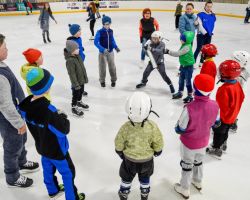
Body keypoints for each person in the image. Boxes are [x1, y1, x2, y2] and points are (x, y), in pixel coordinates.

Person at [18, 68, 85, 200]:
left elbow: (27, 116)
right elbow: (63, 130)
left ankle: (52, 190)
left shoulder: (24, 107)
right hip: (58, 151)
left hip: (42, 148)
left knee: (47, 169)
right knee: (68, 173)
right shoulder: (49, 111)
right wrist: (63, 117)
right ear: (46, 88)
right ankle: (72, 197)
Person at [0, 34, 39, 188]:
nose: (7, 50)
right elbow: (4, 104)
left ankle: (22, 162)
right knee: (12, 146)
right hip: (9, 119)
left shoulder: (1, 64)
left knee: (21, 141)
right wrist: (17, 123)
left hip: (16, 114)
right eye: (4, 48)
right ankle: (12, 175)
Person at [174, 74, 219, 199]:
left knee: (187, 165)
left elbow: (180, 128)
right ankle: (198, 181)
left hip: (189, 144)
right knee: (199, 162)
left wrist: (177, 128)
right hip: (204, 142)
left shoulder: (189, 108)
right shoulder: (215, 105)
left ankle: (184, 188)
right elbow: (216, 122)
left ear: (194, 88)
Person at [115, 91, 164, 200]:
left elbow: (118, 142)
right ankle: (145, 193)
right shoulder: (152, 126)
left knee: (126, 177)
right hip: (147, 161)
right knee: (145, 177)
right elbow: (158, 141)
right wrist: (158, 150)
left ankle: (124, 192)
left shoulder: (125, 127)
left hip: (129, 160)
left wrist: (119, 151)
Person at [206, 60, 245, 158]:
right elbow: (242, 97)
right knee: (226, 131)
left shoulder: (223, 89)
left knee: (218, 133)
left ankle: (216, 148)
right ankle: (223, 144)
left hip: (223, 118)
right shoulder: (238, 85)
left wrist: (217, 119)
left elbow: (220, 107)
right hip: (232, 116)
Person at [136, 31, 175, 96]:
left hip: (160, 63)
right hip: (152, 62)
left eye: (156, 38)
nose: (154, 40)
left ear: (160, 38)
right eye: (153, 38)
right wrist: (145, 50)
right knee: (145, 72)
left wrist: (151, 49)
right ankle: (143, 82)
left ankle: (170, 84)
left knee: (164, 75)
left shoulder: (162, 44)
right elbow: (148, 54)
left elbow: (159, 51)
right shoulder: (150, 44)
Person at [165, 31, 195, 103]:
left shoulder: (187, 47)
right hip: (183, 66)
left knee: (188, 82)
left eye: (182, 39)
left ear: (187, 40)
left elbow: (178, 54)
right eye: (181, 39)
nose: (181, 41)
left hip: (188, 67)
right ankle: (180, 92)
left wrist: (168, 51)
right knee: (181, 80)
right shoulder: (184, 45)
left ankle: (190, 95)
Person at [64, 40, 89, 117]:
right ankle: (74, 107)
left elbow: (82, 68)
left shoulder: (77, 56)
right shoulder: (70, 61)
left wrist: (85, 77)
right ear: (71, 51)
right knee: (75, 94)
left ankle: (79, 102)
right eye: (76, 49)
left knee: (81, 92)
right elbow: (72, 74)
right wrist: (75, 84)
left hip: (81, 80)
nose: (79, 49)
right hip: (76, 82)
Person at [94, 15, 120, 88]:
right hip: (102, 53)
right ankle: (102, 81)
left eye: (109, 24)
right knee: (102, 67)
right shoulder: (100, 32)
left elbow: (112, 40)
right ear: (103, 24)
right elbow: (96, 42)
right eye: (106, 24)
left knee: (112, 67)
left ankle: (113, 80)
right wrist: (102, 49)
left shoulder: (111, 31)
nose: (108, 26)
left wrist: (116, 47)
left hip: (111, 52)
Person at [230, 51, 250, 133]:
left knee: (233, 108)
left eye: (234, 60)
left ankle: (232, 122)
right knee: (233, 108)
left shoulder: (240, 74)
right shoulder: (243, 70)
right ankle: (232, 120)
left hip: (236, 94)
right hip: (237, 94)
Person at [194, 1, 216, 66]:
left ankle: (202, 62)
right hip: (201, 35)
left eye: (210, 6)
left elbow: (213, 25)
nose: (209, 8)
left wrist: (212, 32)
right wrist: (205, 33)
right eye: (208, 6)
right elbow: (200, 25)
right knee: (198, 48)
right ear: (205, 6)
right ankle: (193, 62)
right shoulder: (201, 14)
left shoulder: (213, 15)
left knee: (206, 50)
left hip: (209, 35)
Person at [68, 24, 88, 96]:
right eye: (79, 31)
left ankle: (81, 90)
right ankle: (74, 89)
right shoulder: (71, 42)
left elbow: (80, 46)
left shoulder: (79, 38)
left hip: (81, 60)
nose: (80, 32)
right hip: (75, 62)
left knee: (81, 76)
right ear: (74, 33)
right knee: (75, 76)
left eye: (80, 30)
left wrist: (81, 48)